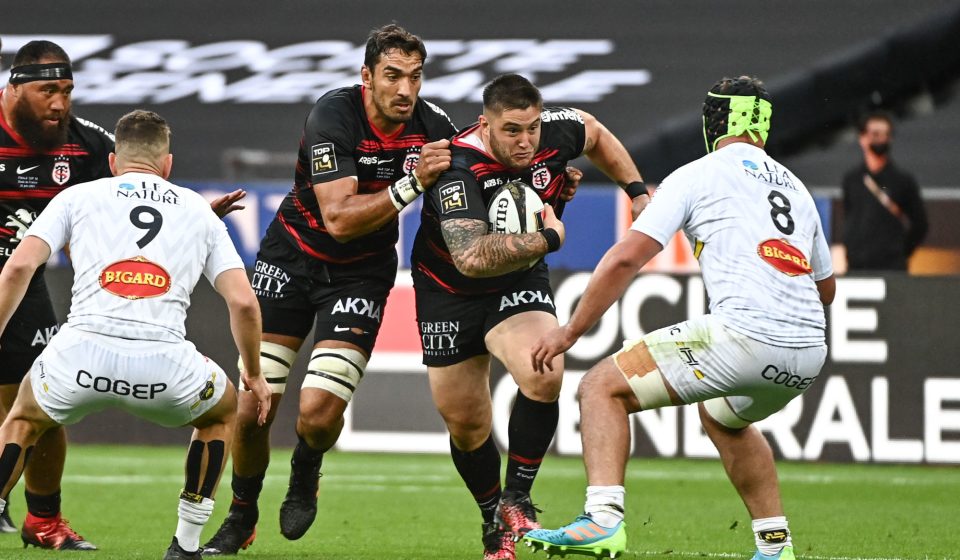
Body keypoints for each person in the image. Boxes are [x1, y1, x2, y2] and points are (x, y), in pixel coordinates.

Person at [522, 76, 835, 560]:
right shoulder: (797, 189)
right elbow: (826, 289)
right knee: (723, 416)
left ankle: (603, 520)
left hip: (744, 338)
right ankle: (775, 545)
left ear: (713, 122)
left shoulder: (696, 174)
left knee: (599, 388)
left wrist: (570, 331)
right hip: (809, 352)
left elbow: (627, 258)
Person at [201, 23, 458, 555]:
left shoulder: (434, 126)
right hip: (290, 260)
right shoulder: (333, 115)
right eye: (392, 75)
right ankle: (242, 513)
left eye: (414, 76)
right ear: (367, 77)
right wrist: (413, 183)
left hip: (359, 274)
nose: (405, 89)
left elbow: (479, 175)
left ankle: (306, 466)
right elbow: (338, 218)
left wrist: (547, 189)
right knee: (252, 408)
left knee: (316, 416)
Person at [0, 40, 246, 549]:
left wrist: (189, 223)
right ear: (14, 87)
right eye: (48, 90)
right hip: (55, 298)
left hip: (19, 284)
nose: (60, 103)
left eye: (67, 90)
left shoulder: (84, 144)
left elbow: (126, 205)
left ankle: (43, 519)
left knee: (30, 409)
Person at [409, 73, 648, 560]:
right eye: (512, 130)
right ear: (486, 124)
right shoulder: (456, 167)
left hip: (516, 282)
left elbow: (595, 132)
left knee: (544, 371)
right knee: (466, 423)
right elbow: (471, 256)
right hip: (448, 292)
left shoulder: (552, 132)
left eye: (532, 129)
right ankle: (493, 520)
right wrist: (551, 238)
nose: (525, 141)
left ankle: (516, 497)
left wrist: (637, 191)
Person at [841, 110, 927, 272]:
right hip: (857, 267)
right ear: (863, 138)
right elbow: (849, 218)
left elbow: (920, 224)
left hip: (891, 268)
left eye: (886, 134)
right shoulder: (851, 180)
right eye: (875, 134)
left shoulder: (903, 180)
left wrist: (900, 252)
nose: (881, 139)